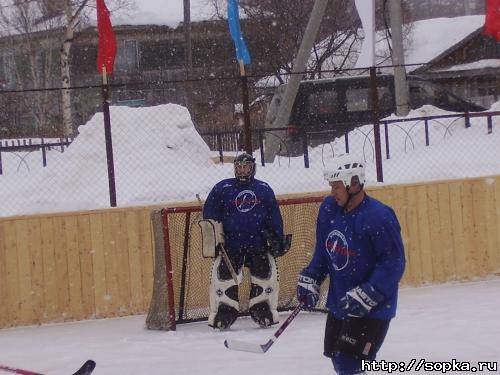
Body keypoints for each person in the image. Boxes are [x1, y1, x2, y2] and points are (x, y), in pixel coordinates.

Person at [296, 154, 405, 375]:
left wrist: (370, 292)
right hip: (341, 300)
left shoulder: (378, 216)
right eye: (331, 186)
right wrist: (312, 277)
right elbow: (325, 251)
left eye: (337, 187)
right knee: (338, 360)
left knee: (349, 363)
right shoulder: (329, 208)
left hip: (373, 308)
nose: (332, 192)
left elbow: (394, 262)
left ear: (354, 183)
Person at [203, 152, 289, 330]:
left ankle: (262, 309)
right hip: (230, 245)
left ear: (253, 168)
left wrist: (276, 237)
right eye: (239, 167)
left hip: (257, 244)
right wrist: (214, 236)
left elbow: (274, 216)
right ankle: (224, 312)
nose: (242, 171)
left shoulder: (263, 189)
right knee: (224, 279)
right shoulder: (223, 188)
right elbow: (210, 214)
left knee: (264, 277)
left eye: (246, 167)